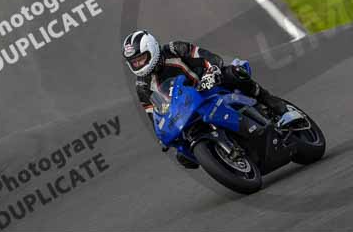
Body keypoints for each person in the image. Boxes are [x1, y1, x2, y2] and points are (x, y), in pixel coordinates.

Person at [122, 30, 287, 168]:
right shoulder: (142, 86)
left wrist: (212, 71)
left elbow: (207, 57)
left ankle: (273, 103)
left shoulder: (174, 49)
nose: (138, 64)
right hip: (184, 110)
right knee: (183, 157)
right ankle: (223, 157)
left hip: (208, 86)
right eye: (134, 62)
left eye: (141, 59)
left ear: (152, 49)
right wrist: (162, 136)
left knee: (235, 73)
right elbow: (154, 115)